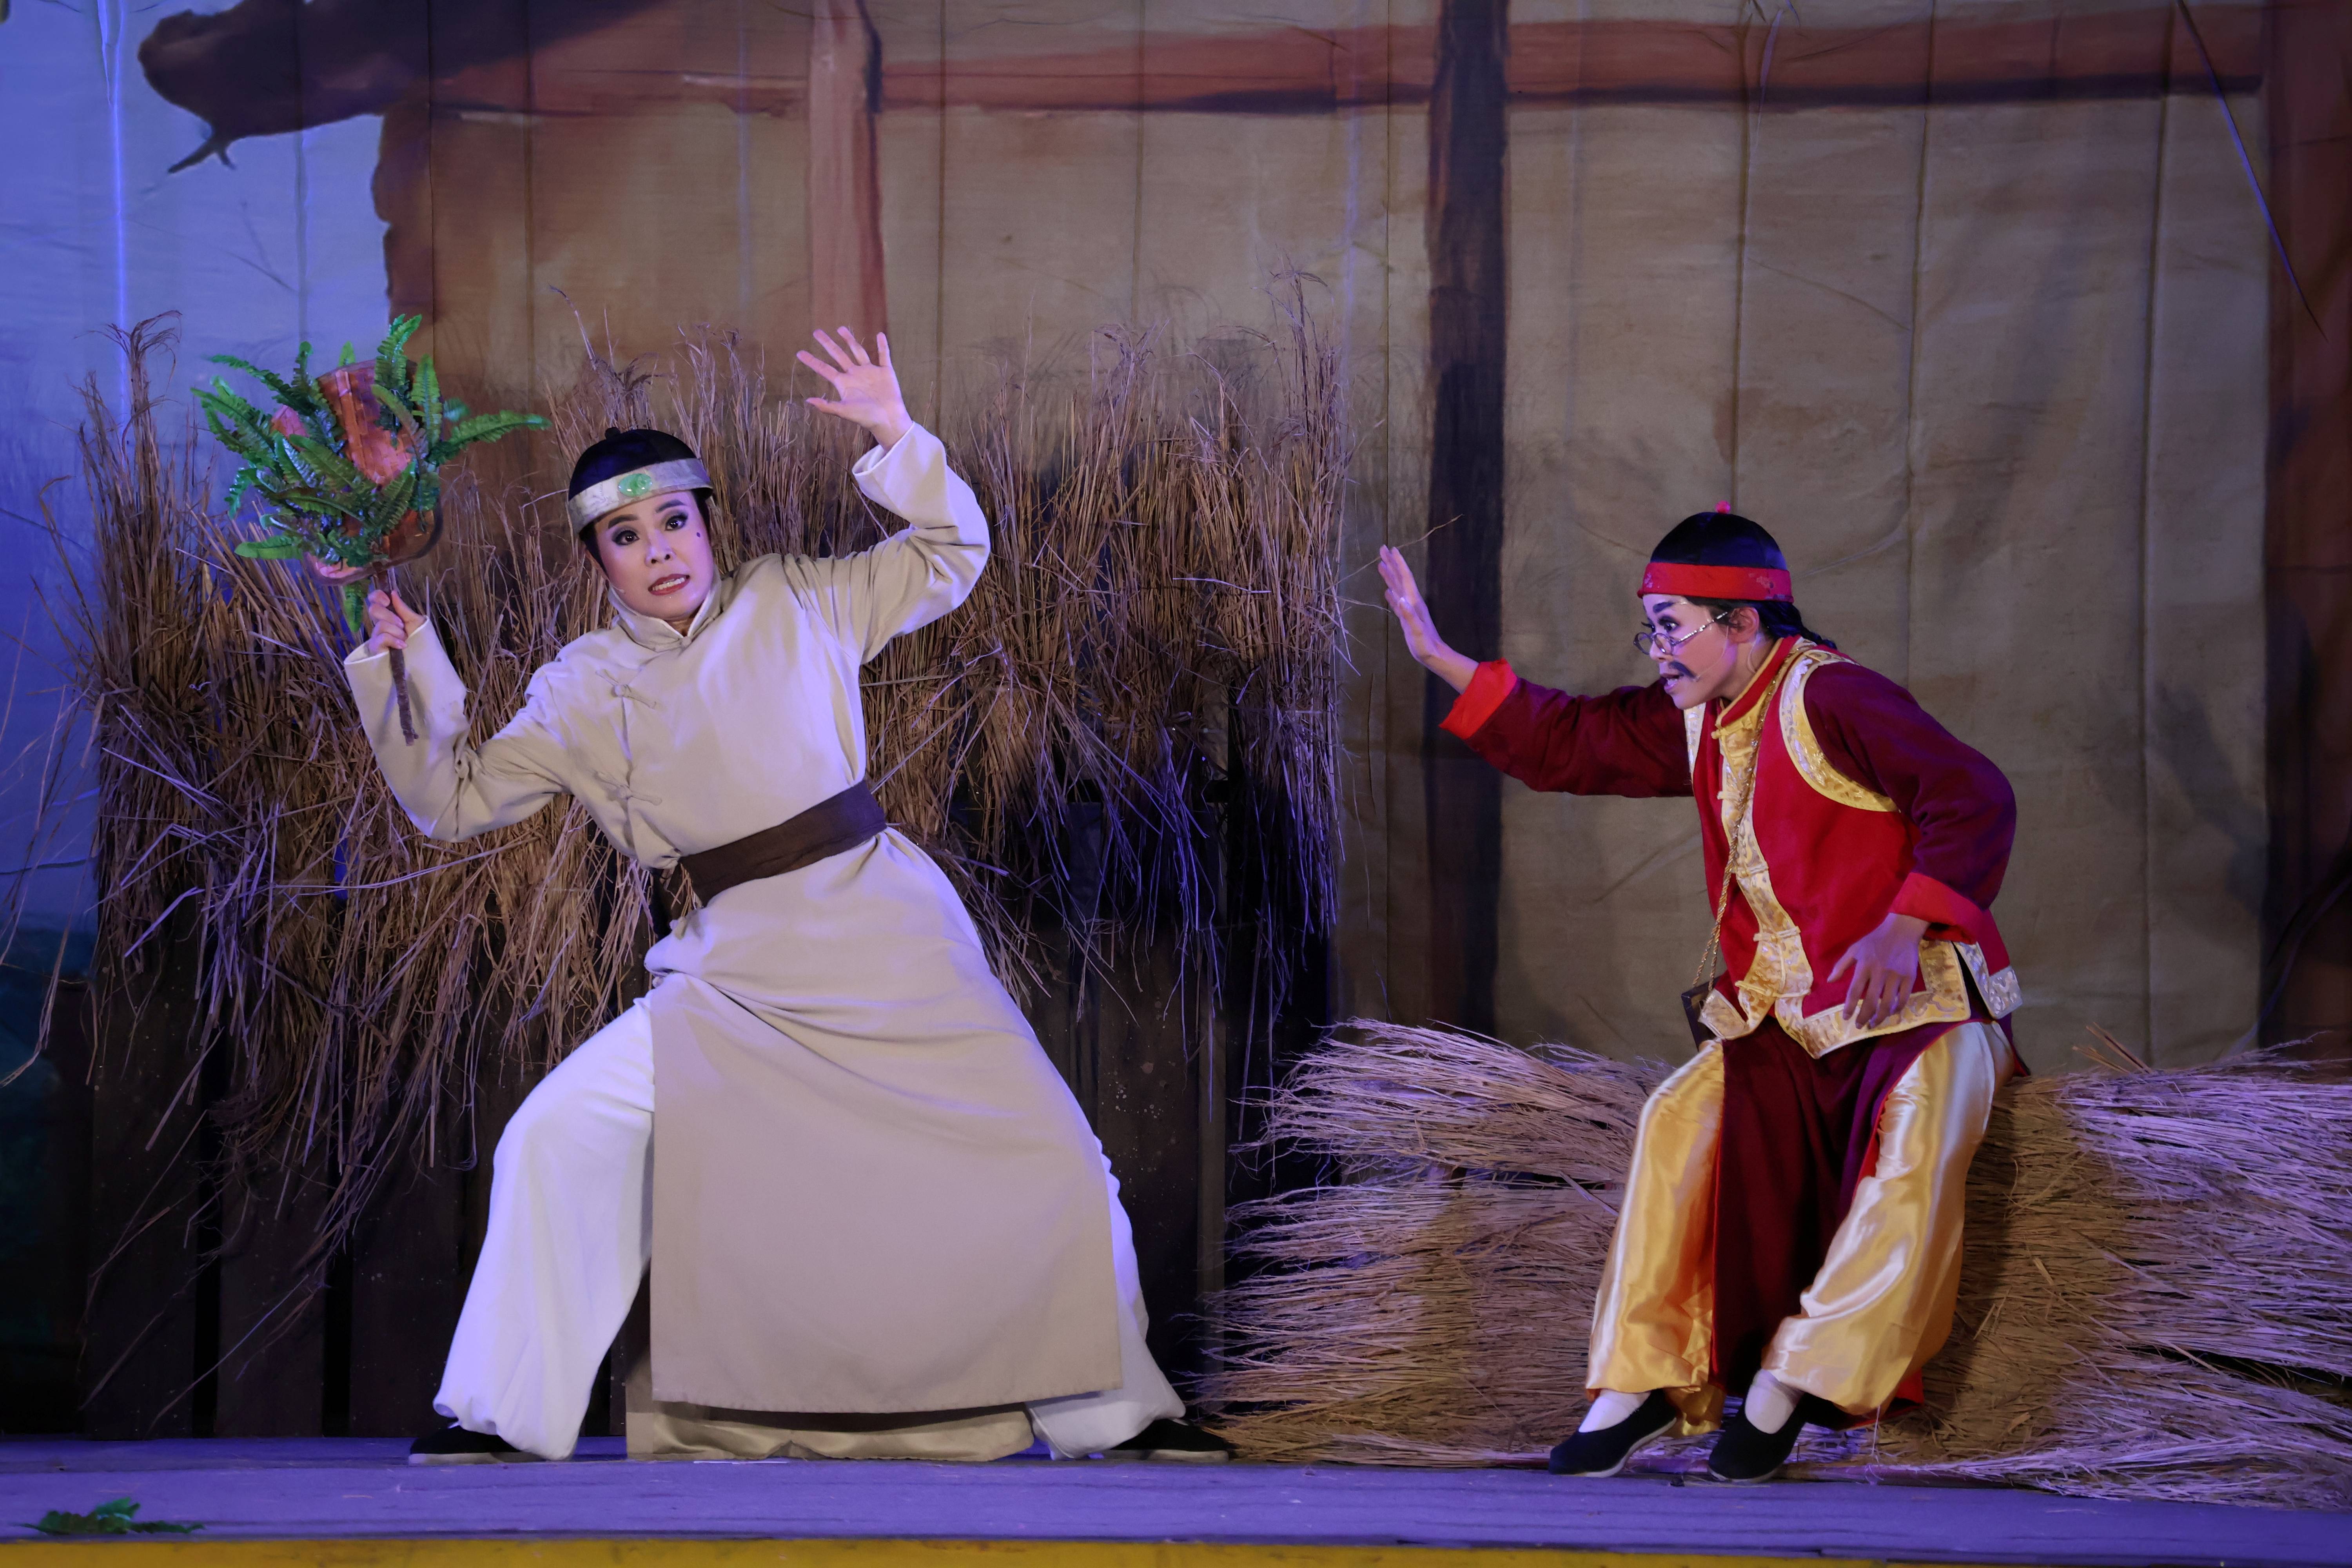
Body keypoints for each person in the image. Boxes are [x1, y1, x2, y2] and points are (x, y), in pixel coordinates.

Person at [343, 327, 1226, 1465]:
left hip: (888, 943)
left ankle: (1120, 1417)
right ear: (598, 560)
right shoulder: (579, 687)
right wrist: (406, 662)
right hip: (729, 977)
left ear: (708, 524)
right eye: (626, 536)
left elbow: (951, 550)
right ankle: (499, 1415)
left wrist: (895, 436)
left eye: (674, 521)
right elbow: (453, 798)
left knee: (1056, 1155)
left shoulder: (804, 597)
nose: (659, 551)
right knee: (557, 1135)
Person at [1377, 508, 2020, 1484]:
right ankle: (1641, 1383)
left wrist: (1904, 925)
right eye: (1652, 628)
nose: (1658, 650)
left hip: (1917, 1005)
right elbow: (1575, 738)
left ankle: (1790, 1384)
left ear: (1743, 621)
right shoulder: (1700, 715)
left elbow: (1973, 794)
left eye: (1671, 626)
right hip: (1787, 1022)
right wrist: (1441, 658)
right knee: (1678, 1120)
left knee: (1921, 1136)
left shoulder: (1833, 695)